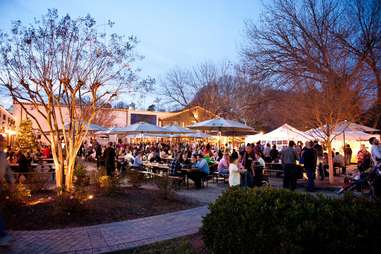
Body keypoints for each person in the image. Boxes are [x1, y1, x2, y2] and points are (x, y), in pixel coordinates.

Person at [0, 135, 15, 246]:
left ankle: (2, 235)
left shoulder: (2, 156)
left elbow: (8, 170)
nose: (3, 144)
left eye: (3, 142)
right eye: (2, 142)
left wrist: (11, 182)